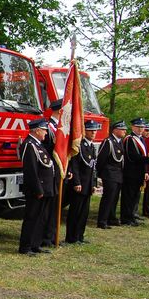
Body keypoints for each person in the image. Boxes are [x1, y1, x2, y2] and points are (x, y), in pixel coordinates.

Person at [18, 118, 55, 256]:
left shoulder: (38, 144)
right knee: (32, 217)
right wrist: (38, 189)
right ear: (37, 130)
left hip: (45, 188)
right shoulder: (29, 145)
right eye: (44, 130)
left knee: (41, 218)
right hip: (37, 190)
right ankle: (26, 246)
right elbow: (31, 171)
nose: (46, 133)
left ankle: (35, 244)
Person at [65, 120, 99, 244]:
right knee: (75, 212)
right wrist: (76, 182)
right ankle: (71, 237)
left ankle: (80, 236)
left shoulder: (91, 146)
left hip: (88, 185)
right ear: (85, 131)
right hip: (79, 185)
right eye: (91, 130)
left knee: (84, 213)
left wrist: (93, 184)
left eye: (95, 130)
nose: (93, 133)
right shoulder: (79, 146)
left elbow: (93, 168)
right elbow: (75, 166)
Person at [96, 121, 127, 229]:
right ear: (115, 130)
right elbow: (101, 159)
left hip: (118, 173)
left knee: (114, 197)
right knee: (108, 197)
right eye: (122, 129)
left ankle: (111, 218)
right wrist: (100, 173)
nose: (124, 131)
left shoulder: (119, 142)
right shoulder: (108, 141)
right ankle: (102, 220)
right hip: (109, 173)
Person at [42, 99, 63, 247]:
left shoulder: (60, 127)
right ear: (59, 111)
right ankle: (46, 237)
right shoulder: (48, 127)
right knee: (48, 207)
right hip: (50, 171)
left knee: (56, 206)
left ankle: (53, 235)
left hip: (59, 170)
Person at [120, 118, 149, 226]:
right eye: (138, 127)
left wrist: (145, 171)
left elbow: (143, 155)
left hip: (139, 173)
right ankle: (126, 218)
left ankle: (132, 216)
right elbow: (132, 156)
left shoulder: (141, 139)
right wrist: (148, 160)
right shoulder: (130, 139)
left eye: (142, 127)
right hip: (131, 172)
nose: (141, 129)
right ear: (133, 127)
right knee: (128, 196)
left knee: (135, 196)